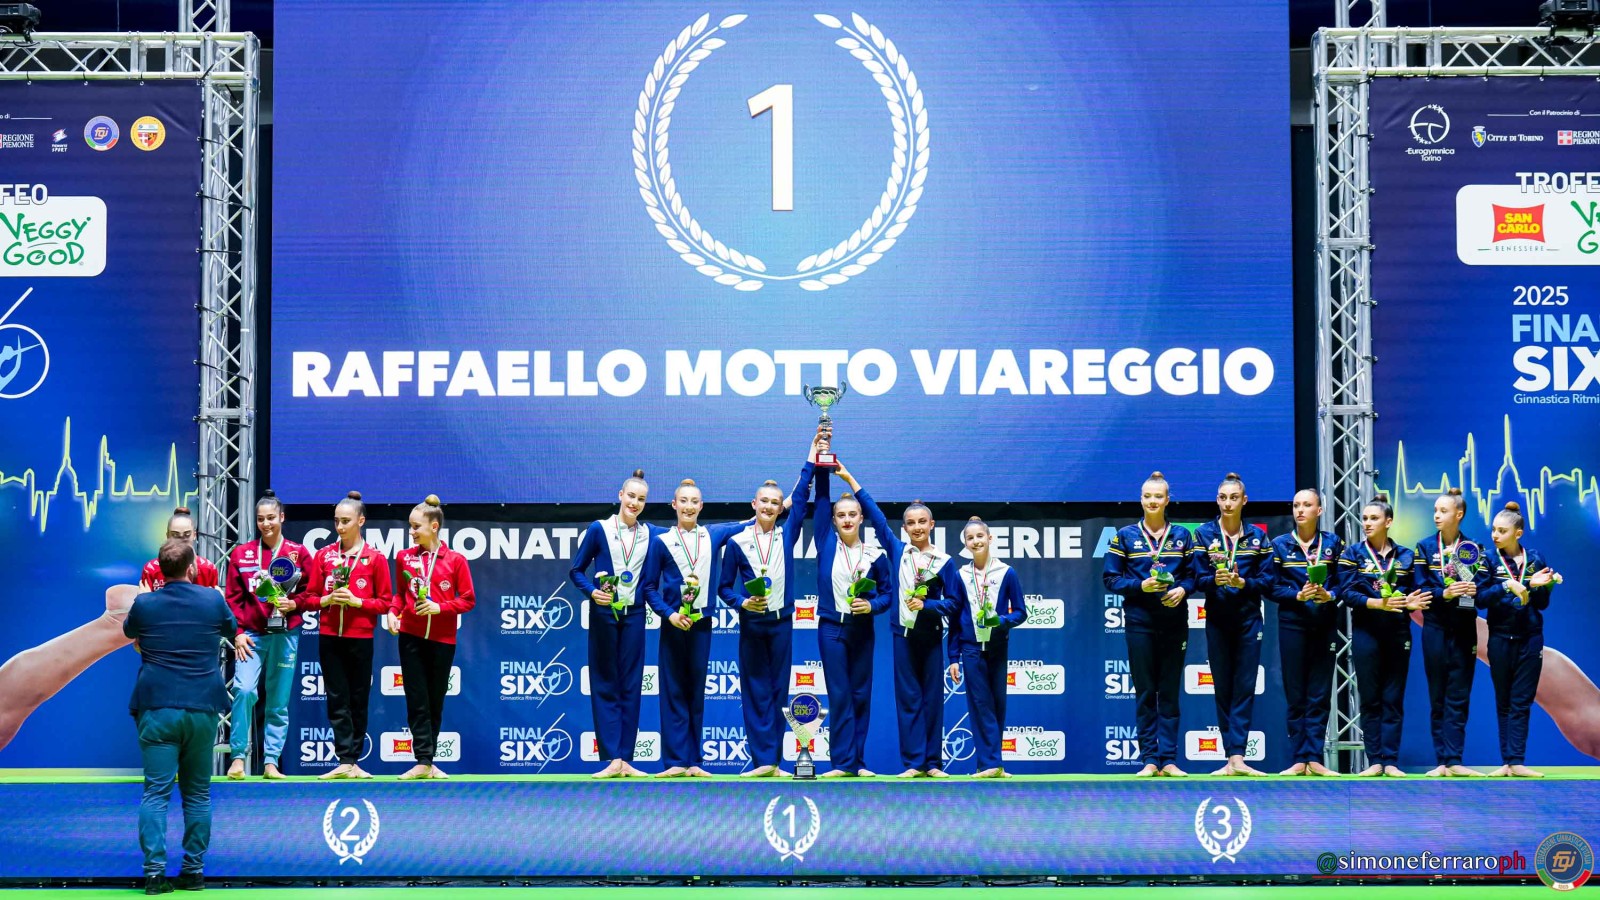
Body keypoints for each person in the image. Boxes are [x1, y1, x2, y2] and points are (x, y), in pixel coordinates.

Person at [123, 539, 235, 895]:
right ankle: (193, 872)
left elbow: (129, 632)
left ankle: (155, 876)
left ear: (159, 570)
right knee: (198, 794)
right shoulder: (212, 600)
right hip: (202, 708)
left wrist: (142, 601)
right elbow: (232, 630)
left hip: (157, 708)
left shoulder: (144, 603)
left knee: (155, 794)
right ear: (192, 568)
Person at [835, 463, 958, 778]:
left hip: (931, 637)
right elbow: (875, 516)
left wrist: (928, 605)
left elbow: (954, 603)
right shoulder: (898, 550)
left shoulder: (944, 562)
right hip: (902, 636)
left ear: (932, 524)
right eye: (911, 523)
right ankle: (915, 763)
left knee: (932, 700)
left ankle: (933, 763)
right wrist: (850, 479)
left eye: (922, 522)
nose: (917, 527)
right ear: (904, 528)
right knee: (908, 701)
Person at [640, 479, 752, 777]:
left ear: (701, 506)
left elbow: (752, 521)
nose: (688, 507)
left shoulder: (713, 535)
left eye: (694, 501)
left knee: (695, 692)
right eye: (683, 501)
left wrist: (787, 501)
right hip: (674, 625)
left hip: (702, 624)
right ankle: (675, 762)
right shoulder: (661, 542)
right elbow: (649, 587)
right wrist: (669, 615)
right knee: (673, 692)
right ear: (674, 505)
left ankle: (694, 762)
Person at [717, 451, 819, 777]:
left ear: (780, 508)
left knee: (778, 692)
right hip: (752, 623)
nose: (769, 507)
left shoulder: (786, 534)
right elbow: (724, 588)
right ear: (754, 504)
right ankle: (761, 761)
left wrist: (812, 457)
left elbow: (800, 497)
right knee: (754, 691)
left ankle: (773, 763)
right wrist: (742, 603)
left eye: (775, 503)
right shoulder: (737, 542)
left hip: (781, 623)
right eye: (764, 501)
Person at [570, 470, 663, 778]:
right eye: (631, 496)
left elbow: (686, 532)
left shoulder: (650, 533)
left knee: (631, 685)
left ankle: (626, 759)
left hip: (634, 614)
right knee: (605, 683)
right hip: (604, 614)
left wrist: (749, 521)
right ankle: (612, 759)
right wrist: (591, 591)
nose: (635, 503)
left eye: (641, 499)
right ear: (621, 495)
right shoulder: (599, 529)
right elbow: (576, 570)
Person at [1102, 471, 1195, 777]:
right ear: (1141, 499)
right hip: (1139, 621)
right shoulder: (1125, 536)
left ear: (1168, 500)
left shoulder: (1182, 535)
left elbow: (1194, 576)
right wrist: (1140, 586)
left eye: (1158, 496)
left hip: (1174, 622)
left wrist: (1183, 590)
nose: (1152, 501)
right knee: (1145, 692)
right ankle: (1150, 760)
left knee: (1169, 691)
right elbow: (1110, 579)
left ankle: (1168, 760)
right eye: (1147, 496)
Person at [222, 490, 312, 780]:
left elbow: (312, 593)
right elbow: (232, 598)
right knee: (244, 690)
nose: (266, 524)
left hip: (286, 635)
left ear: (282, 517)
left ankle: (271, 762)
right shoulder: (242, 554)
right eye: (261, 519)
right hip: (251, 635)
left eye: (271, 518)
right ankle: (238, 757)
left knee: (278, 702)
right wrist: (237, 633)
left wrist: (294, 604)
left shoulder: (299, 553)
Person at [303, 491, 393, 780]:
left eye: (345, 521)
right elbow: (309, 598)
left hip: (360, 638)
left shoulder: (375, 558)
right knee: (336, 698)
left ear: (360, 521)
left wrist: (357, 602)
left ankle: (354, 761)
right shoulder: (324, 556)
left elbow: (386, 603)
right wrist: (327, 600)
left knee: (358, 699)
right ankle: (344, 760)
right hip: (329, 636)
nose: (339, 527)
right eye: (336, 521)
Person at [812, 465, 894, 777]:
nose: (846, 519)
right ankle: (841, 763)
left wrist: (871, 606)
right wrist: (821, 464)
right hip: (831, 629)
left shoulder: (875, 554)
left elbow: (888, 595)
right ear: (833, 520)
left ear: (861, 518)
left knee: (860, 694)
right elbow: (821, 501)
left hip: (862, 630)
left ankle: (857, 763)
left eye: (852, 514)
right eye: (841, 515)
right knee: (840, 695)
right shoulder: (825, 542)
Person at [1189, 473, 1272, 776]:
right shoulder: (1203, 534)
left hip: (1249, 620)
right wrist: (1215, 580)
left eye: (1233, 498)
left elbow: (1268, 581)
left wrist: (1243, 582)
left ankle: (1238, 756)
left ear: (1244, 501)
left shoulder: (1258, 537)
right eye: (1223, 498)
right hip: (1217, 620)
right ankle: (1230, 757)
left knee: (1244, 687)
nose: (1227, 503)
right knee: (1223, 687)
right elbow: (1196, 579)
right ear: (1217, 500)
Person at [389, 495, 475, 780]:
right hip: (410, 637)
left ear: (434, 526)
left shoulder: (456, 560)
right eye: (410, 526)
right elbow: (400, 595)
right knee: (416, 700)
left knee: (435, 701)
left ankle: (429, 761)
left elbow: (468, 599)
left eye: (416, 527)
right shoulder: (404, 557)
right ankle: (423, 761)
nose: (411, 532)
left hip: (442, 640)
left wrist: (441, 607)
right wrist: (392, 612)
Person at [1339, 495, 1425, 777]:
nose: (1367, 523)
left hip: (1397, 633)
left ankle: (1391, 761)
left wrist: (1410, 602)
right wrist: (1377, 603)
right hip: (1366, 633)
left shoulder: (1406, 556)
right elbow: (1347, 593)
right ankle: (1375, 760)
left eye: (1374, 518)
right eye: (1364, 518)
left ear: (1388, 522)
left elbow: (1416, 592)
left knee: (1393, 698)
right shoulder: (1352, 554)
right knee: (1370, 698)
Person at [1476, 501, 1560, 778]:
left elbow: (1542, 604)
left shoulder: (1535, 559)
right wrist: (1506, 585)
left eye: (1502, 531)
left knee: (1522, 701)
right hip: (1500, 637)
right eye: (1494, 530)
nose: (1495, 535)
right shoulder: (1488, 560)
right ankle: (1507, 763)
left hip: (1530, 638)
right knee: (1503, 701)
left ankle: (1517, 762)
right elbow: (1480, 598)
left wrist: (1544, 586)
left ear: (1518, 533)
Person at [1265, 487, 1345, 776]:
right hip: (1292, 625)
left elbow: (1345, 583)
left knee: (1319, 694)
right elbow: (1270, 586)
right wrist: (1296, 595)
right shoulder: (1279, 545)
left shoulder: (1333, 543)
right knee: (1296, 693)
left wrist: (1330, 595)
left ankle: (1315, 758)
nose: (1300, 510)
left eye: (1307, 505)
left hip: (1324, 624)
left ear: (1319, 510)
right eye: (1296, 505)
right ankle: (1299, 758)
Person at [1412, 488, 1486, 777]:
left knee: (1459, 695)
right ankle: (1442, 761)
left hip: (1464, 629)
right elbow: (1420, 587)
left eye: (1443, 511)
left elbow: (1482, 588)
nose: (1437, 516)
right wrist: (1445, 592)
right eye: (1435, 511)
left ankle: (1455, 759)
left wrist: (1471, 588)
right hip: (1435, 628)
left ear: (1459, 514)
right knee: (1438, 695)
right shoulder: (1424, 548)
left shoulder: (1474, 548)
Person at [945, 517, 1027, 778]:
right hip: (970, 649)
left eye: (980, 536)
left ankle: (990, 764)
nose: (976, 541)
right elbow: (955, 618)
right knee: (980, 705)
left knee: (997, 705)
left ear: (990, 538)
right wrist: (953, 656)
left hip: (997, 647)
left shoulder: (1007, 572)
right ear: (966, 544)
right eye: (970, 538)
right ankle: (991, 763)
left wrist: (1000, 621)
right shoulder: (961, 575)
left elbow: (1021, 612)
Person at [139, 507, 219, 591]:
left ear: (194, 535)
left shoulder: (208, 568)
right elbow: (145, 598)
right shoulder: (151, 569)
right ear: (167, 535)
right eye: (175, 535)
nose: (181, 540)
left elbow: (213, 598)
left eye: (187, 535)